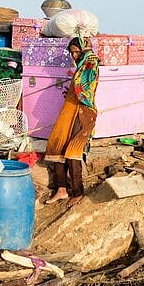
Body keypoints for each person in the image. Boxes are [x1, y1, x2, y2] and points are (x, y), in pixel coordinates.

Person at [43, 36, 99, 208]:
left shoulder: (91, 62)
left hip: (83, 112)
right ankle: (61, 189)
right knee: (56, 146)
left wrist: (88, 49)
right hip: (70, 110)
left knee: (73, 151)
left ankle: (78, 192)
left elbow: (83, 88)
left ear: (83, 51)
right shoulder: (81, 65)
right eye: (71, 53)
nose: (74, 56)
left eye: (76, 52)